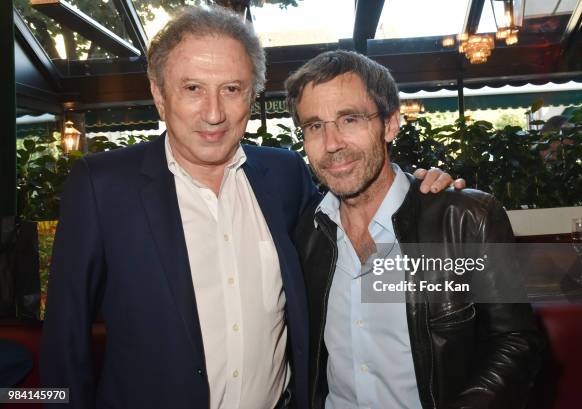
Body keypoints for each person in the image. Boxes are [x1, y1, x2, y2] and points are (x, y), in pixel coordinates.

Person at [40, 6, 459, 409]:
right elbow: (64, 343)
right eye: (192, 88)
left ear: (252, 96)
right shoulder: (102, 186)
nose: (214, 113)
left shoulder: (285, 175)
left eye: (232, 89)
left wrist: (421, 198)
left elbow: (361, 246)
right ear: (159, 94)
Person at [287, 50, 544, 409]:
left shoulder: (464, 220)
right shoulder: (306, 233)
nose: (331, 144)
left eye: (350, 119)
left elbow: (516, 341)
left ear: (390, 123)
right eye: (315, 126)